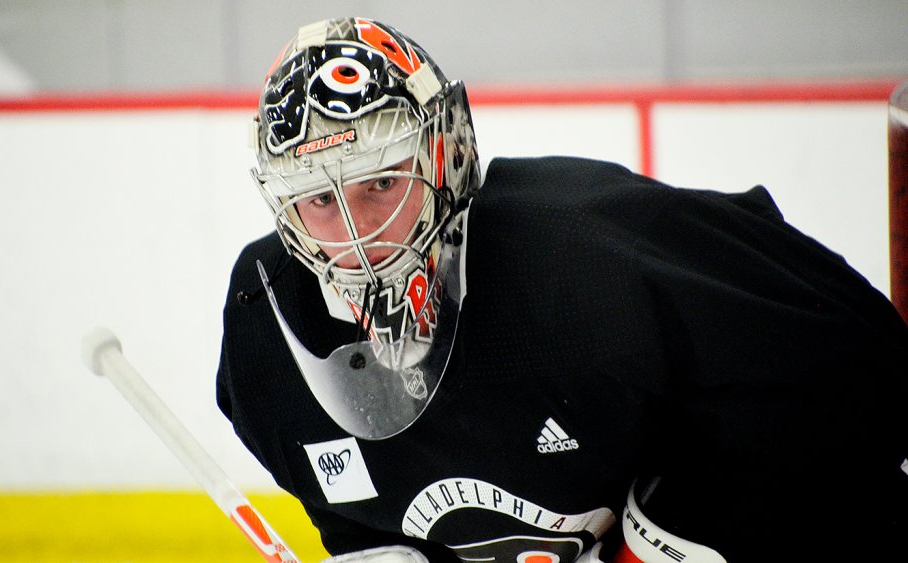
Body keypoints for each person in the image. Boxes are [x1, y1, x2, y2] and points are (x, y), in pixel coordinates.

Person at [216, 16, 908, 563]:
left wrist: (665, 541)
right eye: (320, 202)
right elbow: (350, 510)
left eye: (380, 184)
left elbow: (850, 358)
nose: (360, 239)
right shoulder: (266, 333)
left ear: (442, 151)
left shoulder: (584, 254)